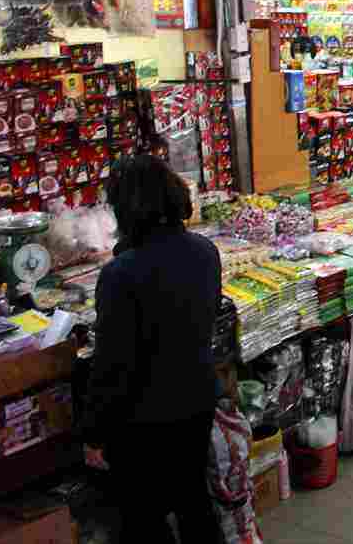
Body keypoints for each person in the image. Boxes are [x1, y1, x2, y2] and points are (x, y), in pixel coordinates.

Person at [82, 155, 222, 544]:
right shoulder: (204, 251)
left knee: (143, 515)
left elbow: (111, 363)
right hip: (197, 400)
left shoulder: (121, 274)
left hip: (143, 418)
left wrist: (94, 433)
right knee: (195, 500)